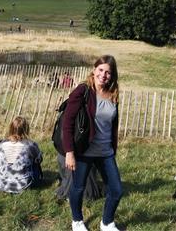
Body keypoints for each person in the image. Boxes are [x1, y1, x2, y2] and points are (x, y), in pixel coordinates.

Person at [64, 55, 123, 231]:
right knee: (78, 188)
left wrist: (113, 147)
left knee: (116, 190)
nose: (103, 75)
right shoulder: (83, 91)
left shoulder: (113, 94)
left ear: (112, 76)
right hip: (84, 151)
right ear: (94, 69)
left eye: (108, 73)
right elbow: (68, 122)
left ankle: (107, 222)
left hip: (106, 152)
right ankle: (77, 220)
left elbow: (112, 125)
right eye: (101, 70)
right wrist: (69, 152)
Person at [0, 117, 43, 194]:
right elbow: (39, 160)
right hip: (23, 185)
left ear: (10, 128)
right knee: (35, 163)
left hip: (1, 184)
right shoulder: (30, 145)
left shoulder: (1, 144)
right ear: (26, 129)